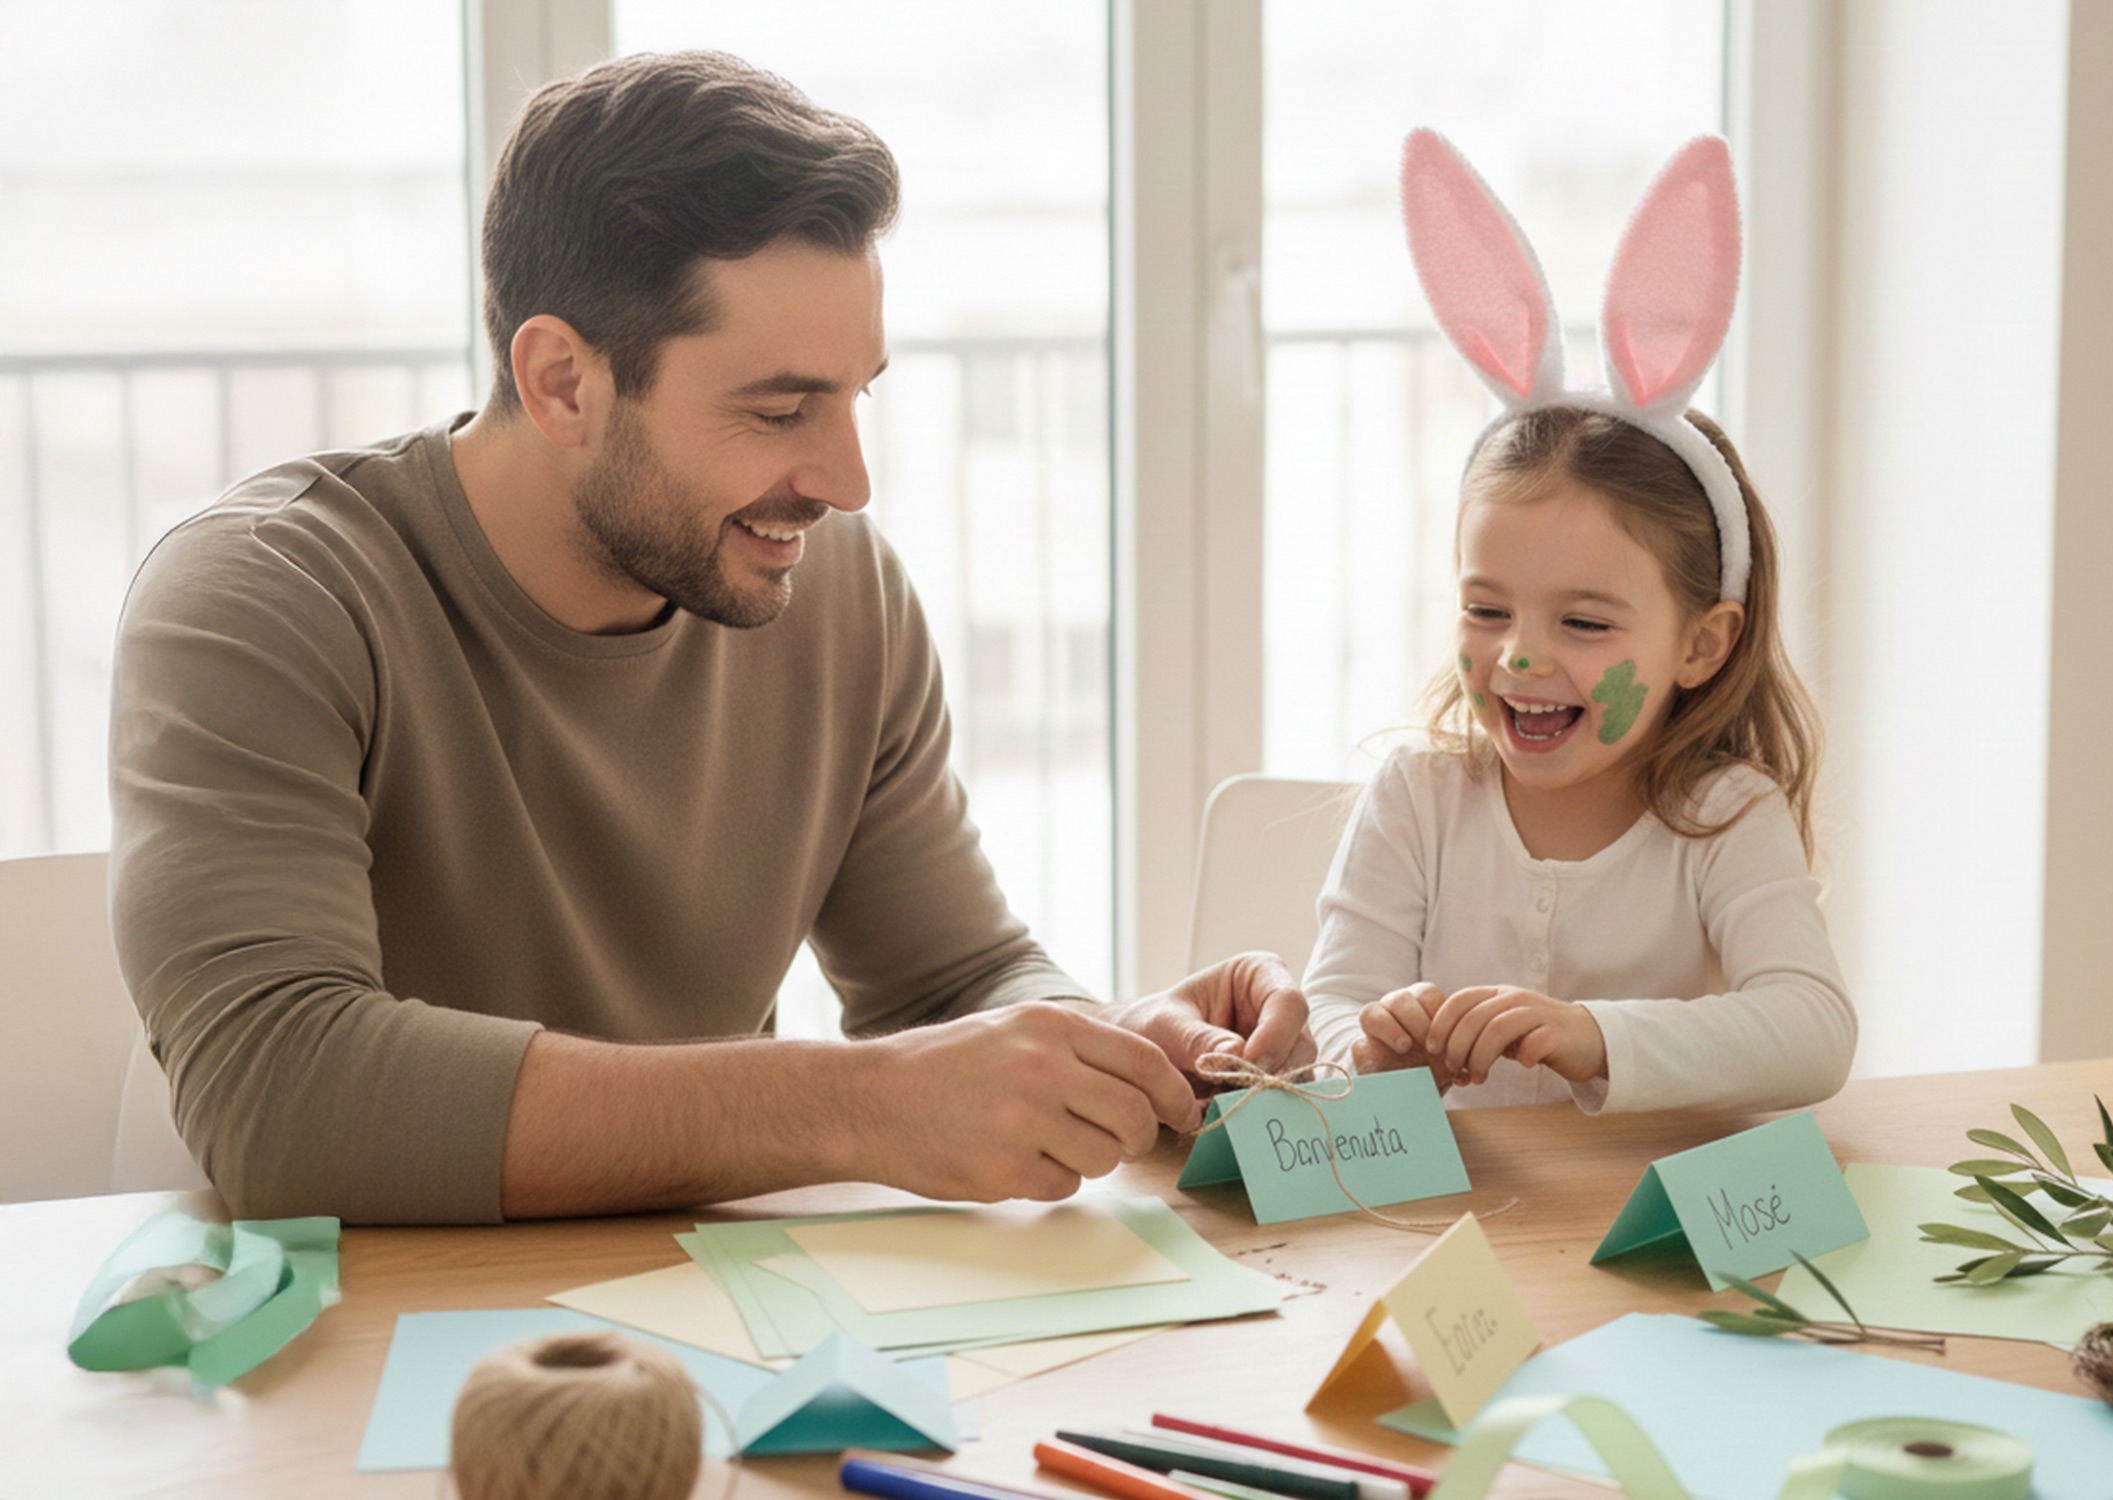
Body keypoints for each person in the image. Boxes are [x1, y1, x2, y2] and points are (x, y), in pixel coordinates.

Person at [107, 50, 1307, 1227]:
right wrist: (861, 1107)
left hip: (738, 1326)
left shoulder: (833, 591)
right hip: (385, 1354)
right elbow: (279, 1095)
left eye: (857, 396)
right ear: (562, 381)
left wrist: (1102, 1047)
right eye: (781, 409)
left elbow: (947, 982)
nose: (846, 481)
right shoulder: (265, 599)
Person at [1302, 129, 1854, 1112]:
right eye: (1484, 608)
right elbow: (1331, 1008)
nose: (1517, 654)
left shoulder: (1723, 818)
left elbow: (1812, 1031)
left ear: (1700, 643)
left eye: (1584, 624)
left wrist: (1591, 1034)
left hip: (1646, 1250)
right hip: (1453, 1237)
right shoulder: (1417, 801)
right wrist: (1367, 1056)